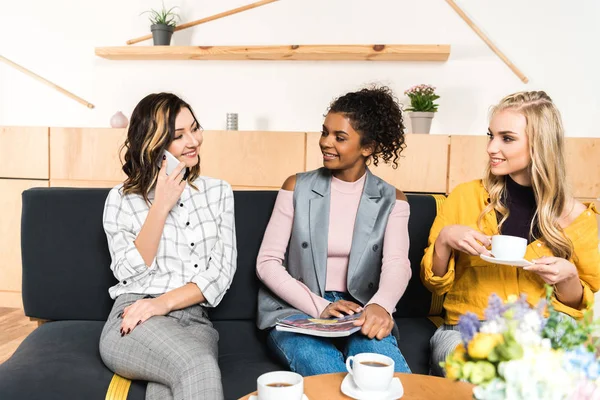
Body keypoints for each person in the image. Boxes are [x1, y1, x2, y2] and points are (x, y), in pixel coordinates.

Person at [421, 91, 600, 376]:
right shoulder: (466, 196)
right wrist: (444, 239)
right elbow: (434, 285)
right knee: (483, 372)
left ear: (540, 145)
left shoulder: (578, 218)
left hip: (539, 335)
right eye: (490, 135)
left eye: (506, 138)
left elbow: (576, 305)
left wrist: (568, 277)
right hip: (465, 332)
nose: (491, 147)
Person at [256, 86, 412, 376]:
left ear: (368, 147)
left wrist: (380, 305)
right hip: (297, 307)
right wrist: (318, 306)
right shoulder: (296, 187)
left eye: (340, 137)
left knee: (382, 374)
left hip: (360, 309)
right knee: (323, 370)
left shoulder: (393, 199)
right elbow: (267, 263)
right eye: (325, 132)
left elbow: (397, 263)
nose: (326, 143)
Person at [99, 93, 237, 400]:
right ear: (153, 144)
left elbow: (220, 274)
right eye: (178, 136)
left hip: (195, 321)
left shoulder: (218, 193)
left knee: (167, 391)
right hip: (134, 316)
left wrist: (162, 303)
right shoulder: (121, 199)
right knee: (197, 366)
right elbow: (126, 270)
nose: (194, 141)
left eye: (195, 128)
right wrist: (160, 206)